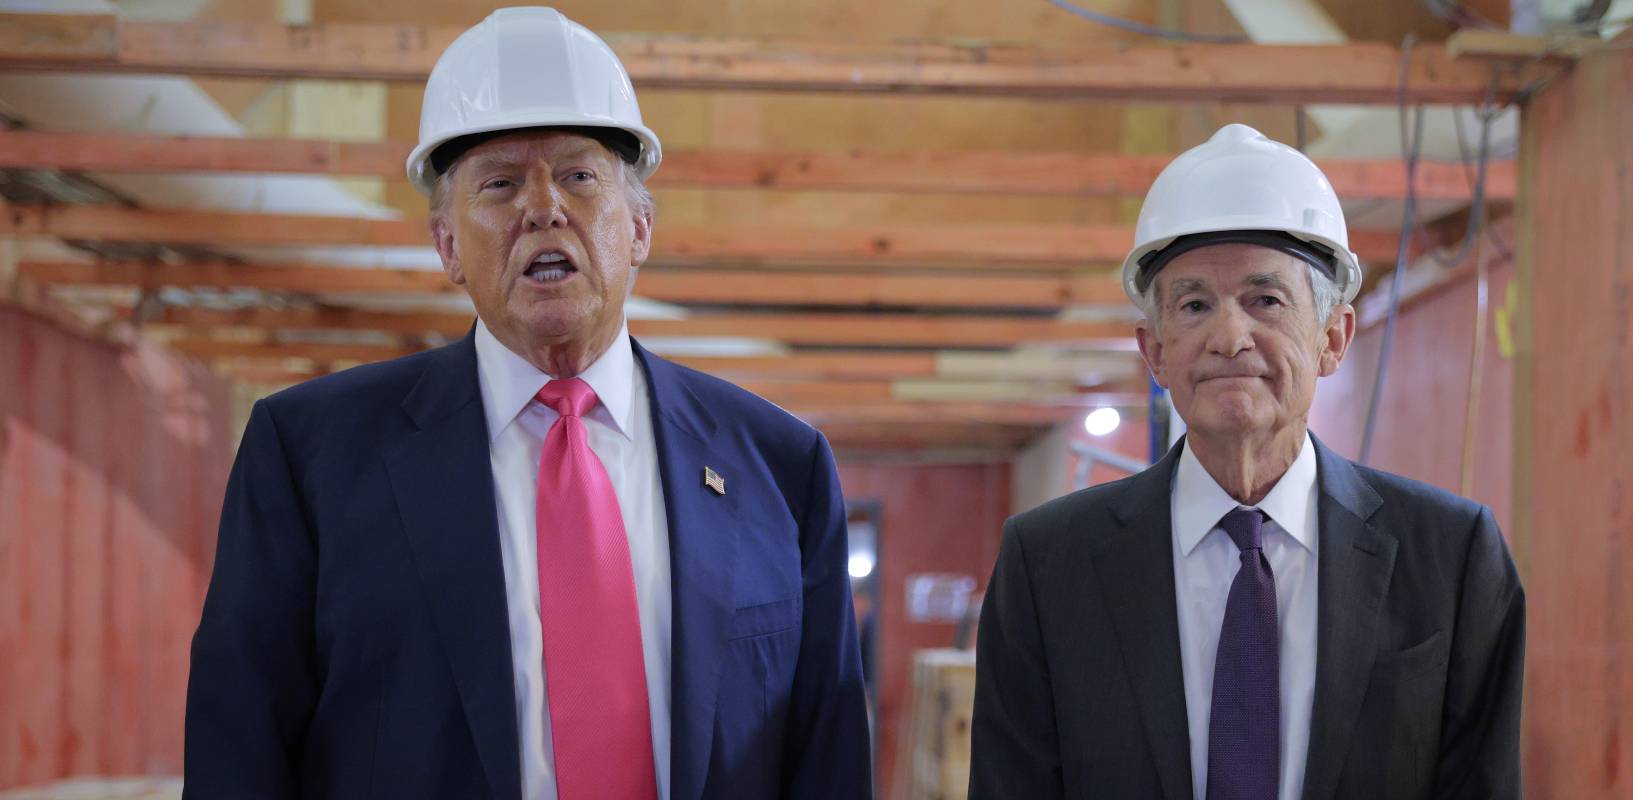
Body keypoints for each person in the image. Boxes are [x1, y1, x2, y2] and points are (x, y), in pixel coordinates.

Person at [184, 8, 871, 799]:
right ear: (447, 244)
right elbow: (239, 755)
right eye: (500, 183)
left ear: (640, 225)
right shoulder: (309, 458)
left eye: (579, 175)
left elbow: (828, 760)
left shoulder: (778, 468)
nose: (543, 208)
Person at [969, 124, 1524, 800]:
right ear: (1156, 352)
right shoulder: (1048, 565)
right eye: (1195, 304)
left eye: (1265, 300)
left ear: (1332, 338)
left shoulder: (1451, 557)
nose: (1230, 338)